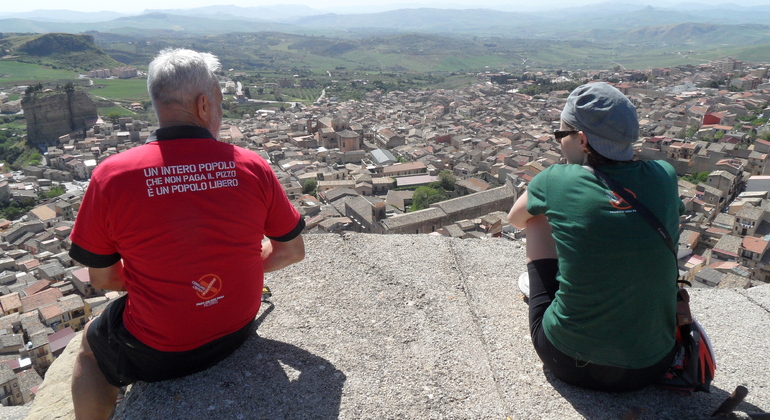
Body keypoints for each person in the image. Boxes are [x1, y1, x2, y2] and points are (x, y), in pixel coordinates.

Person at [69, 48, 306, 419]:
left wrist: (166, 281)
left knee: (89, 348)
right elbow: (292, 252)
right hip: (238, 327)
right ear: (203, 105)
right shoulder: (251, 166)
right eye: (220, 102)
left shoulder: (111, 177)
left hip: (159, 351)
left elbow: (102, 278)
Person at [507, 82, 684, 392]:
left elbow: (516, 219)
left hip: (569, 360)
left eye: (561, 135)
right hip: (655, 362)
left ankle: (547, 288)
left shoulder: (555, 180)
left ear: (583, 140)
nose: (558, 142)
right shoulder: (664, 175)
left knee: (538, 218)